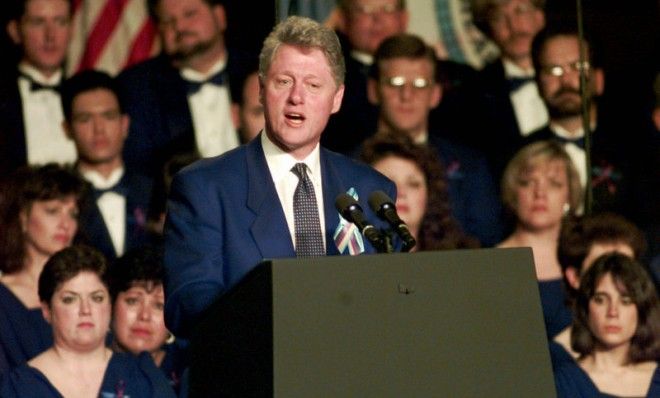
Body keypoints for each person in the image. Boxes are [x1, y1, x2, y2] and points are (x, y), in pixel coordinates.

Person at [163, 16, 398, 337]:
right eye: (284, 81)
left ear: (337, 99)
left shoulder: (372, 190)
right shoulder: (205, 188)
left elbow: (391, 302)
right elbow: (188, 305)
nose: (296, 97)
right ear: (261, 90)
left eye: (313, 85)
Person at [366, 33, 504, 246]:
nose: (407, 95)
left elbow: (487, 244)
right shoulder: (346, 164)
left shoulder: (470, 166)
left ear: (436, 94)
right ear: (374, 90)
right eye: (395, 83)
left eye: (420, 84)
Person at [0, 245, 176, 397]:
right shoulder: (19, 387)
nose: (86, 310)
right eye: (70, 299)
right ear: (47, 310)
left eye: (97, 298)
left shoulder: (144, 377)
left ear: (110, 305)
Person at [117, 0, 254, 178]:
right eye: (167, 21)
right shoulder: (137, 89)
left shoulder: (260, 70)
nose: (180, 26)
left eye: (190, 14)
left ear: (220, 16)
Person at [525, 25, 645, 221]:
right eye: (553, 70)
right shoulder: (519, 154)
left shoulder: (636, 150)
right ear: (538, 83)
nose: (566, 80)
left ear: (598, 80)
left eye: (578, 67)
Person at [0, 164, 85, 376]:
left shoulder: (90, 290)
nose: (65, 224)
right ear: (23, 217)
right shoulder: (4, 299)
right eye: (53, 211)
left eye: (73, 214)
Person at [61, 70, 154, 260]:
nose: (99, 129)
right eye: (85, 119)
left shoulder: (155, 189)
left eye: (109, 116)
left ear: (125, 124)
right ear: (67, 129)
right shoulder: (58, 197)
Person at [497, 140, 582, 338]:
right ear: (514, 192)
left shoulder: (585, 263)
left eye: (554, 184)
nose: (540, 194)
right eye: (528, 183)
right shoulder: (485, 263)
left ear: (569, 196)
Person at [548, 212, 648, 367]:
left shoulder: (651, 349)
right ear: (574, 277)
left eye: (624, 266)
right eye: (602, 266)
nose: (616, 279)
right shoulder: (554, 361)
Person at [554, 253, 660, 397]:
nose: (612, 312)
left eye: (625, 301)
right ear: (586, 309)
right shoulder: (561, 382)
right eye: (600, 300)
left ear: (642, 309)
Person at [470, 0, 548, 180]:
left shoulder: (574, 77)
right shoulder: (474, 94)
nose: (513, 25)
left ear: (539, 16)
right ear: (489, 29)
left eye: (520, 11)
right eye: (499, 17)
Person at [360, 133, 478, 250]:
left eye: (413, 184)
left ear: (429, 196)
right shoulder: (344, 258)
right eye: (387, 183)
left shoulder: (459, 260)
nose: (400, 192)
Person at [0, 0, 76, 176]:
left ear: (71, 30)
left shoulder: (85, 96)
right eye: (38, 22)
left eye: (60, 22)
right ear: (15, 31)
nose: (51, 35)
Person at [109, 246, 187, 391]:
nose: (144, 316)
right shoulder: (84, 365)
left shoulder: (187, 371)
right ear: (110, 306)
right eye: (133, 301)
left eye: (158, 305)